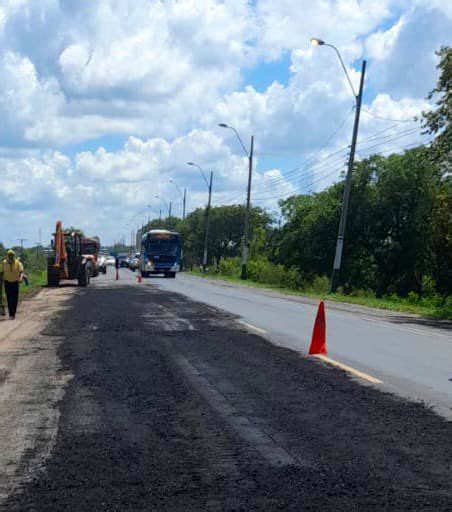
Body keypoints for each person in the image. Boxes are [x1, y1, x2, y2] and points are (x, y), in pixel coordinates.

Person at [0, 250, 24, 320]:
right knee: (9, 298)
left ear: (14, 255)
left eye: (12, 255)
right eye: (9, 255)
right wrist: (1, 280)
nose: (11, 256)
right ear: (7, 256)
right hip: (7, 282)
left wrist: (21, 278)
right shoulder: (3, 263)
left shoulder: (18, 263)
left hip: (15, 282)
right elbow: (1, 272)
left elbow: (21, 272)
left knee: (15, 298)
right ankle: (11, 314)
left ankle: (13, 313)